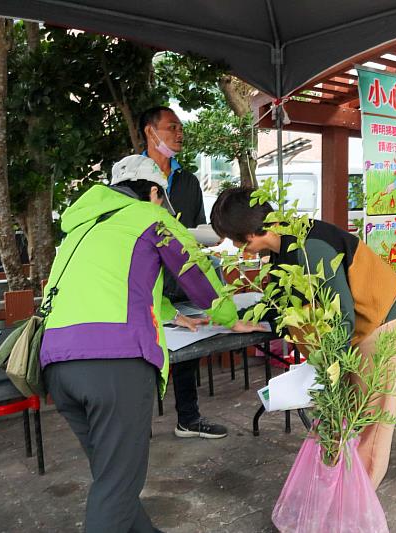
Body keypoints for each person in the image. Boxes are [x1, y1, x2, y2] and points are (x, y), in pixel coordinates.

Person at [40, 155, 264, 533]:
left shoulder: (80, 229)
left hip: (58, 366)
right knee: (117, 486)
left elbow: (129, 282)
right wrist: (230, 318)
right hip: (114, 366)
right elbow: (195, 270)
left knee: (113, 480)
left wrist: (172, 314)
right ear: (154, 193)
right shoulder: (151, 217)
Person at [210, 187, 396, 489]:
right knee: (346, 421)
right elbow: (282, 305)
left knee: (370, 422)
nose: (240, 250)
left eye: (235, 240)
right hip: (355, 331)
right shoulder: (282, 249)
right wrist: (248, 322)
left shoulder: (310, 247)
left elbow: (339, 317)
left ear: (251, 234)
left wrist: (331, 376)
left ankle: (355, 506)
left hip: (382, 323)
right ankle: (341, 494)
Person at [138, 105, 227, 439]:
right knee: (141, 354)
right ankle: (135, 425)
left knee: (188, 348)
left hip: (179, 281)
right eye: (171, 127)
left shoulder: (188, 181)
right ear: (150, 131)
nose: (179, 134)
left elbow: (195, 230)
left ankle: (188, 419)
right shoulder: (131, 176)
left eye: (180, 128)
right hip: (143, 284)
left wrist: (206, 236)